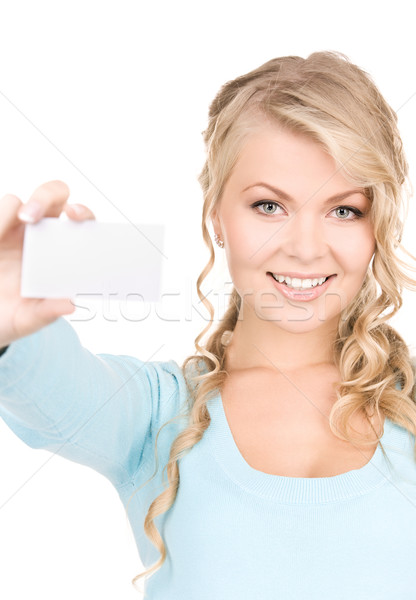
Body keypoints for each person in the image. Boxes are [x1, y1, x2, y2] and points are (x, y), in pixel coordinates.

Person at [1, 50, 416, 599]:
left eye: (344, 210)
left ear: (377, 224)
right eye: (269, 206)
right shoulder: (155, 417)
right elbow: (50, 382)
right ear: (217, 215)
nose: (306, 248)